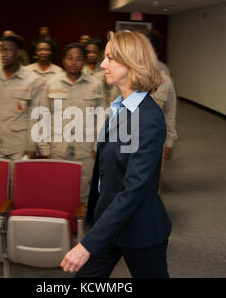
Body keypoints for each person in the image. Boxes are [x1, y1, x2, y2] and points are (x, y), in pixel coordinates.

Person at [60, 31, 172, 278]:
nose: (102, 64)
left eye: (109, 58)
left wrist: (88, 244)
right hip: (109, 220)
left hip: (140, 228)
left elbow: (134, 189)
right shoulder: (121, 106)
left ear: (131, 63)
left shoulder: (148, 118)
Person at [36, 43, 106, 202]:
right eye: (70, 58)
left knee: (84, 187)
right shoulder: (51, 83)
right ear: (63, 60)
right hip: (58, 145)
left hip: (86, 147)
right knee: (57, 185)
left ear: (84, 61)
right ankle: (59, 220)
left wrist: (98, 145)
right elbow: (43, 115)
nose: (74, 62)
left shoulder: (95, 84)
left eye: (79, 59)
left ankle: (79, 224)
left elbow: (101, 118)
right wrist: (43, 145)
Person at [0, 36, 42, 160]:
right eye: (2, 51)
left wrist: (31, 145)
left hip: (19, 144)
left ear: (19, 53)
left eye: (8, 51)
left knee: (18, 179)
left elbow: (35, 117)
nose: (3, 55)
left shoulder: (33, 80)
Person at [142, 29, 178, 161]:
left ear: (155, 53)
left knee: (153, 179)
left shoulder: (166, 81)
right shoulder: (124, 77)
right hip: (127, 142)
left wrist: (169, 143)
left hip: (155, 141)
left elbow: (170, 114)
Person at [82, 38, 118, 106]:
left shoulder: (106, 69)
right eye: (88, 52)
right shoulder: (80, 70)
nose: (91, 55)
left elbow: (111, 91)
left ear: (100, 53)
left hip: (101, 107)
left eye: (94, 52)